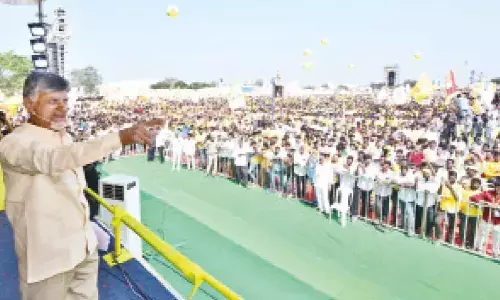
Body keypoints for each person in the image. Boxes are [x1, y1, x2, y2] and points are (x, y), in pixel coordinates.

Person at [0, 72, 163, 300]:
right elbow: (52, 159)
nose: (62, 108)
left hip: (83, 248)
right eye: (53, 101)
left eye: (65, 101)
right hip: (48, 260)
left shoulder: (63, 136)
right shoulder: (14, 144)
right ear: (29, 104)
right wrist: (120, 138)